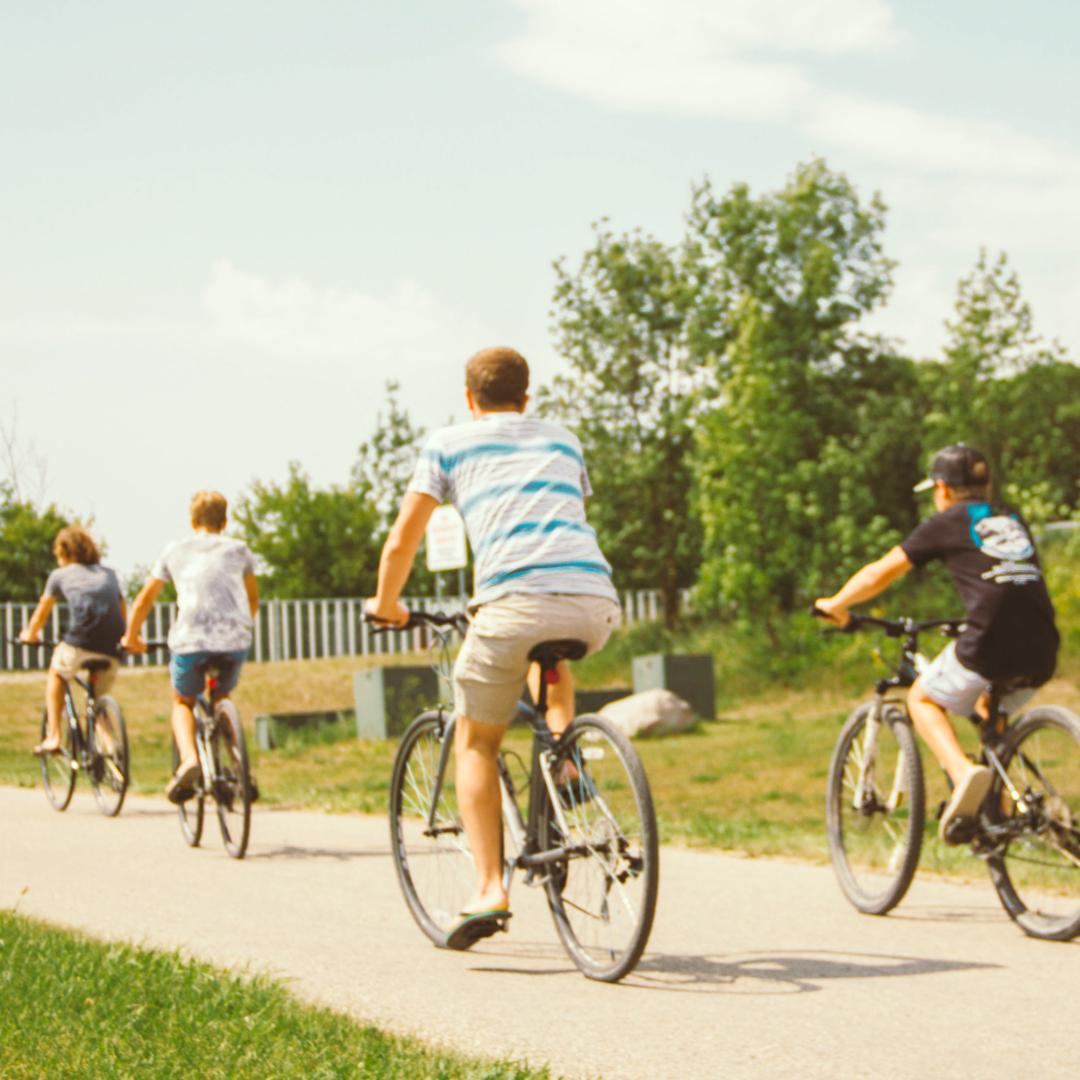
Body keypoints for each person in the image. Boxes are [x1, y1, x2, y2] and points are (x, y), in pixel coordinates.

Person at [366, 346, 621, 948]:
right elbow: (566, 512)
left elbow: (403, 540)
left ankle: (488, 889)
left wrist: (386, 604)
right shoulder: (563, 437)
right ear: (526, 398)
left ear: (468, 398)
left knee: (477, 742)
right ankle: (565, 755)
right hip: (594, 600)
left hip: (511, 602)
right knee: (549, 653)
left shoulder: (448, 442)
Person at [815, 444, 1059, 843]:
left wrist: (836, 604)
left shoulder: (946, 521)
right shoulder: (1011, 517)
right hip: (1043, 642)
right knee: (986, 705)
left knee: (921, 699)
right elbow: (1005, 580)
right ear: (987, 484)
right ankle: (999, 811)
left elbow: (880, 574)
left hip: (991, 636)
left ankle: (964, 775)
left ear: (942, 488)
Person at [122, 490, 259, 803]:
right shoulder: (239, 548)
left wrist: (131, 636)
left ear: (192, 521)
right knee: (221, 696)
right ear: (225, 521)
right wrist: (239, 626)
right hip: (234, 639)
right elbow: (253, 599)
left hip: (191, 639)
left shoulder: (175, 549)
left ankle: (190, 760)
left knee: (183, 701)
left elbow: (145, 599)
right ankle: (241, 767)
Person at [18, 526, 126, 755]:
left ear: (64, 552)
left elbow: (41, 612)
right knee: (98, 699)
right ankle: (108, 742)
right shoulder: (109, 573)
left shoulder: (60, 575)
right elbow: (122, 609)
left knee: (57, 673)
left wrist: (30, 634)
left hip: (81, 641)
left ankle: (54, 736)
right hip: (112, 647)